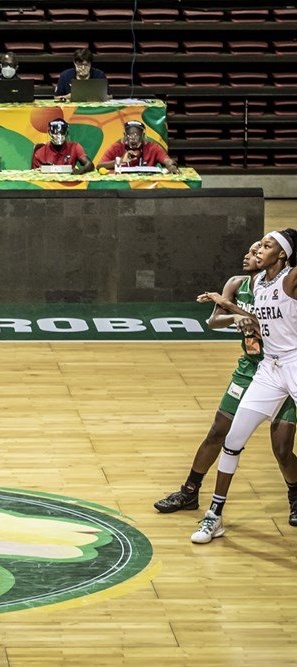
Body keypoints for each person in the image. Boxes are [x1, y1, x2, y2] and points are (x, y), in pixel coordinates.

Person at [155, 241, 297, 526]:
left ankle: (294, 498)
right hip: (250, 369)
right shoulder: (238, 283)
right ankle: (189, 491)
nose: (250, 254)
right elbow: (214, 321)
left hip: (283, 366)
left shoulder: (283, 285)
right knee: (218, 431)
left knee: (281, 447)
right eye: (249, 250)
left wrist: (246, 317)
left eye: (258, 249)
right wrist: (234, 314)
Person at [97, 120, 179, 173]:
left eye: (136, 135)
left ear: (143, 136)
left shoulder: (153, 147)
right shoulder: (116, 147)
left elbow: (167, 160)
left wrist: (171, 165)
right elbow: (99, 166)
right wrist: (120, 161)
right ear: (125, 135)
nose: (133, 138)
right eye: (130, 135)